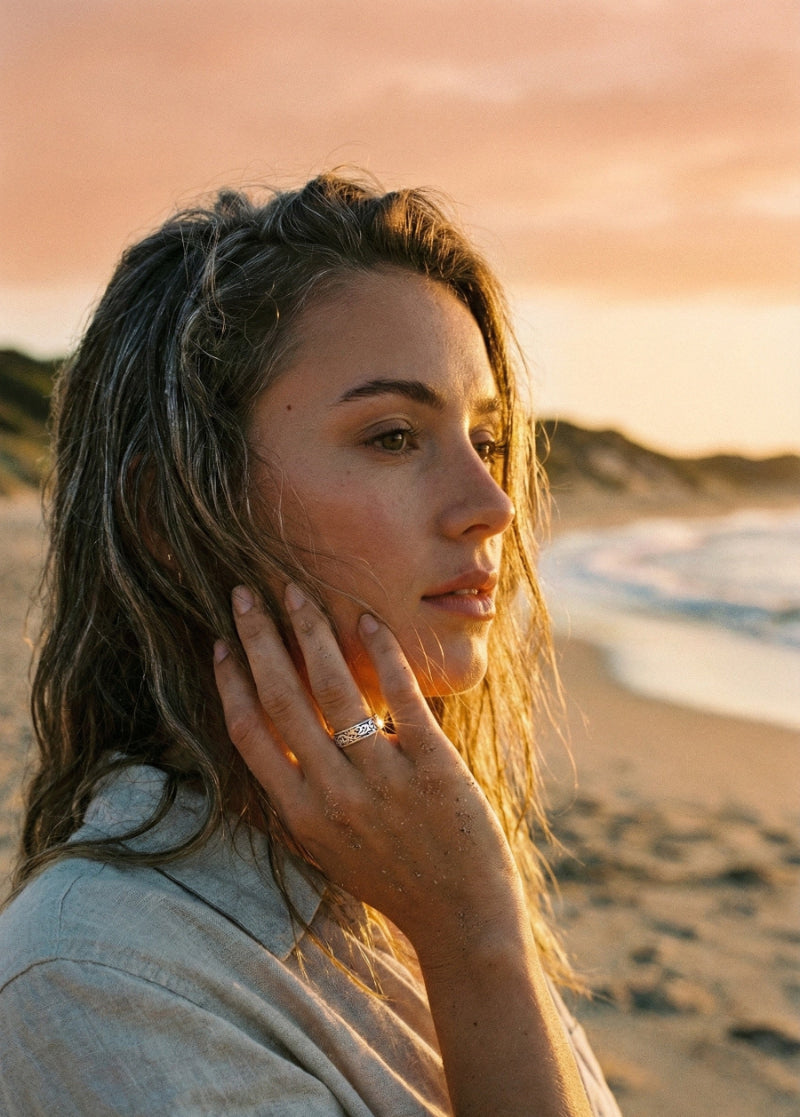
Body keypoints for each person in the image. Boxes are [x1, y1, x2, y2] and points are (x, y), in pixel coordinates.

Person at [0, 173, 621, 1116]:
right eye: (394, 435)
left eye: (487, 440)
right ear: (169, 510)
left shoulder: (401, 873)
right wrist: (479, 946)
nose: (491, 506)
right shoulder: (95, 975)